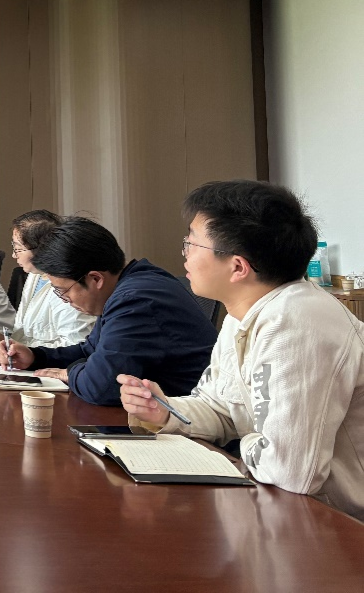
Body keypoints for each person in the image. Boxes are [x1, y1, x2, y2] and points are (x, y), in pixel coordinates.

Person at [119, 180, 364, 520]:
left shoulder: (296, 321)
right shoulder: (242, 314)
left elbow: (291, 472)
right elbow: (220, 408)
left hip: (339, 525)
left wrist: (247, 439)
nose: (185, 253)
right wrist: (166, 412)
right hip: (282, 512)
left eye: (191, 242)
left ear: (237, 267)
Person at [0, 216, 215, 406]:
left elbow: (101, 387)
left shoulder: (135, 301)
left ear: (95, 279)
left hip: (186, 426)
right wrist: (36, 357)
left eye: (64, 291)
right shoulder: (128, 285)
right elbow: (90, 350)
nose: (65, 300)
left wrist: (69, 373)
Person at [9, 209, 95, 347]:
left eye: (18, 249)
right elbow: (21, 330)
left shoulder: (69, 284)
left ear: (42, 249)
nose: (14, 255)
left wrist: (28, 352)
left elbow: (76, 343)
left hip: (48, 359)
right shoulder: (35, 275)